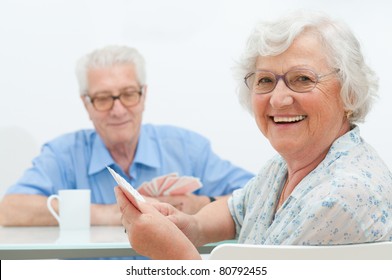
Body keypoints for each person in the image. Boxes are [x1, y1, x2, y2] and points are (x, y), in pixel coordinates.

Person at [114, 11, 392, 260]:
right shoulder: (290, 165)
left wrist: (173, 253)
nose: (279, 99)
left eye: (303, 79)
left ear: (349, 93)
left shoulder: (341, 196)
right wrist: (191, 227)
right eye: (265, 81)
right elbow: (238, 211)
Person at [0, 45, 254, 227]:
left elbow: (258, 196)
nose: (118, 109)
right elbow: (9, 210)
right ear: (86, 104)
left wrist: (201, 205)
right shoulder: (64, 154)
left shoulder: (187, 148)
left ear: (143, 95)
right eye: (102, 98)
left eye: (129, 94)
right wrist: (109, 214)